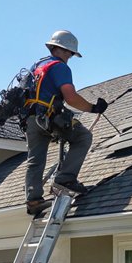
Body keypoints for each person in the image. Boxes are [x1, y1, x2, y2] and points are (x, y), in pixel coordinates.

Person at [24, 30, 108, 216]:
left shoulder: (36, 66)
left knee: (35, 159)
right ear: (62, 49)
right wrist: (94, 108)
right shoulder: (60, 67)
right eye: (70, 53)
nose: (70, 57)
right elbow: (70, 97)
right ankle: (65, 179)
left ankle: (33, 200)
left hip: (30, 119)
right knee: (83, 137)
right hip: (49, 116)